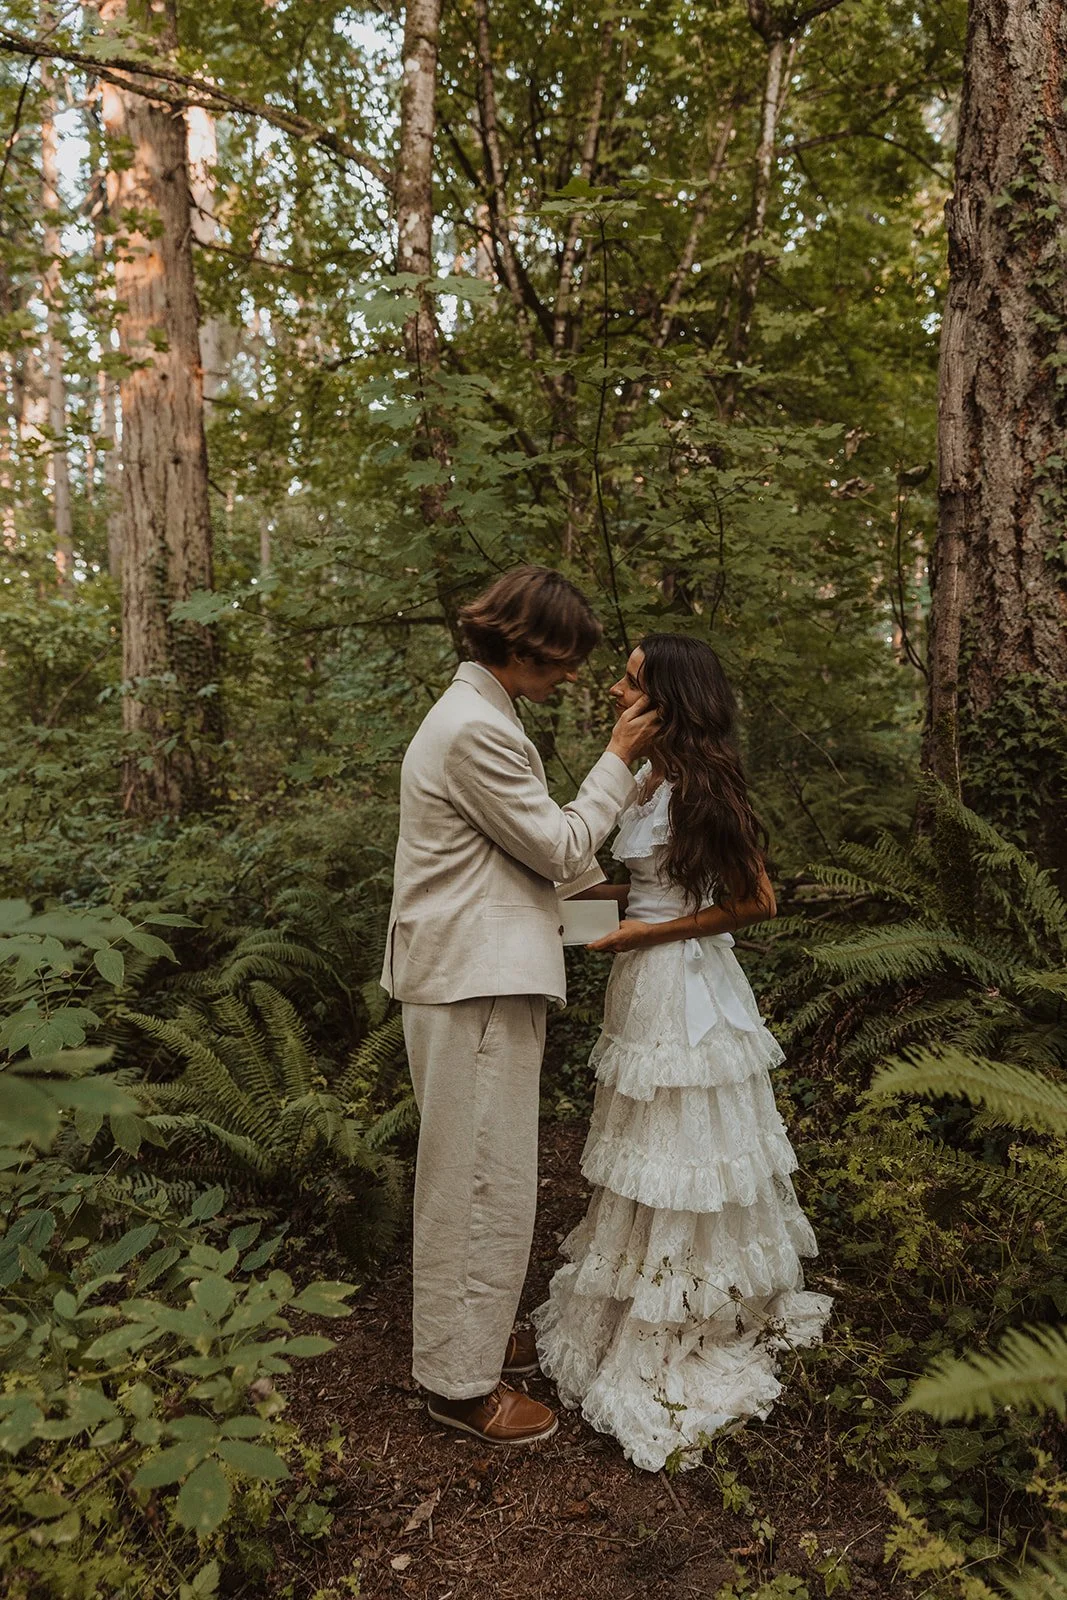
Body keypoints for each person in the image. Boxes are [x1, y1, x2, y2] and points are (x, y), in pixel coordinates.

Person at [533, 634, 832, 1471]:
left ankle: (694, 1312)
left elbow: (757, 901)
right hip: (639, 973)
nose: (614, 691)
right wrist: (602, 911)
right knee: (646, 1149)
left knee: (687, 1141)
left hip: (684, 982)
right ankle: (643, 1284)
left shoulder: (705, 783)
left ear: (668, 697)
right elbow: (654, 876)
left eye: (629, 682)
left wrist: (650, 929)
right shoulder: (643, 778)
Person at [381, 566, 658, 1447]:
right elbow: (554, 844)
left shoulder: (484, 717)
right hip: (473, 980)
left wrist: (643, 918)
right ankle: (460, 1386)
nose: (576, 674)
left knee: (488, 1169)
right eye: (567, 656)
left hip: (482, 973)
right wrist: (617, 759)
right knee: (476, 1181)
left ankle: (467, 1346)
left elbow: (546, 865)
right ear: (526, 643)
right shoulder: (471, 729)